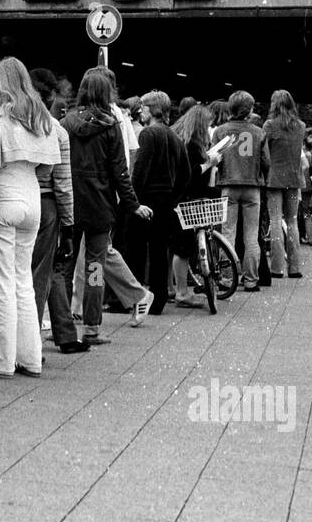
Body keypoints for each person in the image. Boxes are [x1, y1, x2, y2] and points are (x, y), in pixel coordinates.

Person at [62, 69, 153, 346]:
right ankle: (91, 328)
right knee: (95, 267)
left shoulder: (65, 123)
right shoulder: (112, 125)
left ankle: (62, 327)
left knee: (65, 268)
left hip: (71, 203)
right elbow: (119, 172)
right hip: (100, 208)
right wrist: (133, 205)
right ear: (106, 93)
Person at [0, 57, 62, 378]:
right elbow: (49, 166)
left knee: (1, 283)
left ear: (0, 82)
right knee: (24, 282)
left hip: (4, 195)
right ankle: (30, 358)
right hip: (33, 196)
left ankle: (1, 361)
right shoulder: (41, 116)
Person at [30, 71, 83, 353]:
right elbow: (63, 184)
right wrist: (68, 226)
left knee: (8, 276)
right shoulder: (56, 130)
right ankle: (33, 344)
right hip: (47, 205)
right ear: (52, 98)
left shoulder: (12, 121)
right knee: (41, 275)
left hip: (12, 200)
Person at [132, 91, 191, 309]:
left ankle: (137, 297)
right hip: (167, 202)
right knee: (159, 251)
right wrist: (174, 197)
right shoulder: (175, 137)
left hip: (146, 201)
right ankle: (159, 299)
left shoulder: (148, 134)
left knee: (137, 250)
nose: (141, 111)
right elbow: (186, 174)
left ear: (153, 109)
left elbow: (140, 172)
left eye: (144, 107)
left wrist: (132, 201)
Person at [212, 90, 269, 291]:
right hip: (252, 187)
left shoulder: (220, 131)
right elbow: (266, 162)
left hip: (228, 185)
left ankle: (227, 279)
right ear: (250, 109)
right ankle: (251, 280)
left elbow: (213, 158)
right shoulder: (259, 132)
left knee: (227, 233)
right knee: (251, 235)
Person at [170, 104, 222, 308]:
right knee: (182, 248)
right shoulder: (192, 145)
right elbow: (190, 175)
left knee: (176, 247)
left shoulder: (181, 140)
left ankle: (174, 289)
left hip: (178, 199)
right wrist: (210, 163)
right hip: (186, 200)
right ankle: (182, 293)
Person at [263, 90, 305, 278]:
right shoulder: (301, 126)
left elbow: (264, 153)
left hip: (274, 179)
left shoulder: (270, 125)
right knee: (292, 222)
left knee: (275, 220)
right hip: (294, 178)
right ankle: (294, 267)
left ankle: (277, 268)